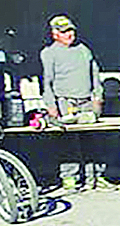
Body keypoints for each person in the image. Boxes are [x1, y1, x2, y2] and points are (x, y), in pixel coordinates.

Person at [39, 13, 103, 190]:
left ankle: (95, 176)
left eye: (70, 30)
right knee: (68, 141)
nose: (69, 34)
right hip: (65, 103)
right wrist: (51, 106)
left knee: (91, 138)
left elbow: (95, 75)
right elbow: (47, 82)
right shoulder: (49, 53)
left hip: (86, 101)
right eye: (64, 31)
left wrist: (98, 96)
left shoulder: (84, 50)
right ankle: (70, 177)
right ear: (55, 34)